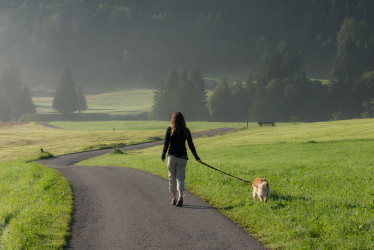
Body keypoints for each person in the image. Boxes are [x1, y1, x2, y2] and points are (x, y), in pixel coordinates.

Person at [161, 112, 201, 207]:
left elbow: (166, 144)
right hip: (182, 158)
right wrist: (196, 157)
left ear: (173, 120)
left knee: (172, 178)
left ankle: (174, 199)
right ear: (183, 120)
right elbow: (191, 145)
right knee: (180, 179)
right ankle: (180, 197)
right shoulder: (186, 130)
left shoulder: (169, 129)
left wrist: (163, 155)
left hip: (172, 157)